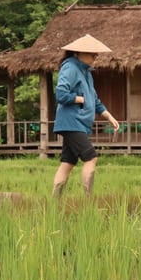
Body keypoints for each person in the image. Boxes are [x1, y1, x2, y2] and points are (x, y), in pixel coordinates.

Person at [51, 34, 120, 197]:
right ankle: (88, 200)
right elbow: (61, 94)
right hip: (71, 122)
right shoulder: (70, 67)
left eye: (96, 54)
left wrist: (109, 116)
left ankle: (54, 202)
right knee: (91, 157)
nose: (95, 57)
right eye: (91, 53)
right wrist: (78, 99)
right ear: (78, 53)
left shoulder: (86, 73)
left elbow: (94, 100)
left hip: (79, 124)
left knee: (67, 162)